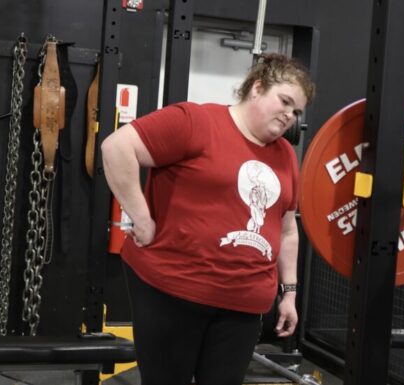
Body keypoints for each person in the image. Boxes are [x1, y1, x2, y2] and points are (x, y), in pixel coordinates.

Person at [101, 53, 315, 385]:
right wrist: (140, 217)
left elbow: (287, 230)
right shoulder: (195, 121)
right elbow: (117, 148)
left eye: (297, 111)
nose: (289, 115)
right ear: (257, 88)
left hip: (243, 305)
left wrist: (289, 293)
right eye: (285, 101)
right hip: (174, 292)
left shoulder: (286, 155)